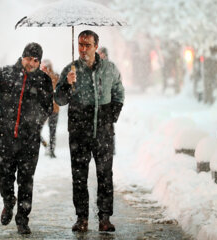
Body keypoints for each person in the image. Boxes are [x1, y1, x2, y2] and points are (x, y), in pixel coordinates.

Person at [54, 30, 125, 232]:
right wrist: (67, 84)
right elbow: (59, 99)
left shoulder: (109, 69)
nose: (83, 49)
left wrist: (111, 116)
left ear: (96, 46)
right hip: (78, 132)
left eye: (87, 45)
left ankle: (105, 217)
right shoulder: (71, 69)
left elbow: (119, 92)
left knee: (105, 175)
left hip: (103, 131)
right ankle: (82, 218)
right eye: (80, 44)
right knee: (79, 177)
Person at [0, 43, 53, 234]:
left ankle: (22, 219)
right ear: (22, 57)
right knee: (4, 177)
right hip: (5, 138)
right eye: (28, 58)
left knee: (26, 181)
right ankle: (8, 200)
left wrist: (36, 122)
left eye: (35, 60)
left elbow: (48, 107)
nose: (31, 63)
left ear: (39, 62)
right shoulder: (4, 73)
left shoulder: (43, 80)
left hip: (29, 141)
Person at [41, 59, 60, 158]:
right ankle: (48, 147)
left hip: (52, 109)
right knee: (39, 130)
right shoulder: (42, 77)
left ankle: (50, 149)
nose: (43, 69)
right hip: (47, 109)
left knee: (52, 131)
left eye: (44, 67)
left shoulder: (54, 77)